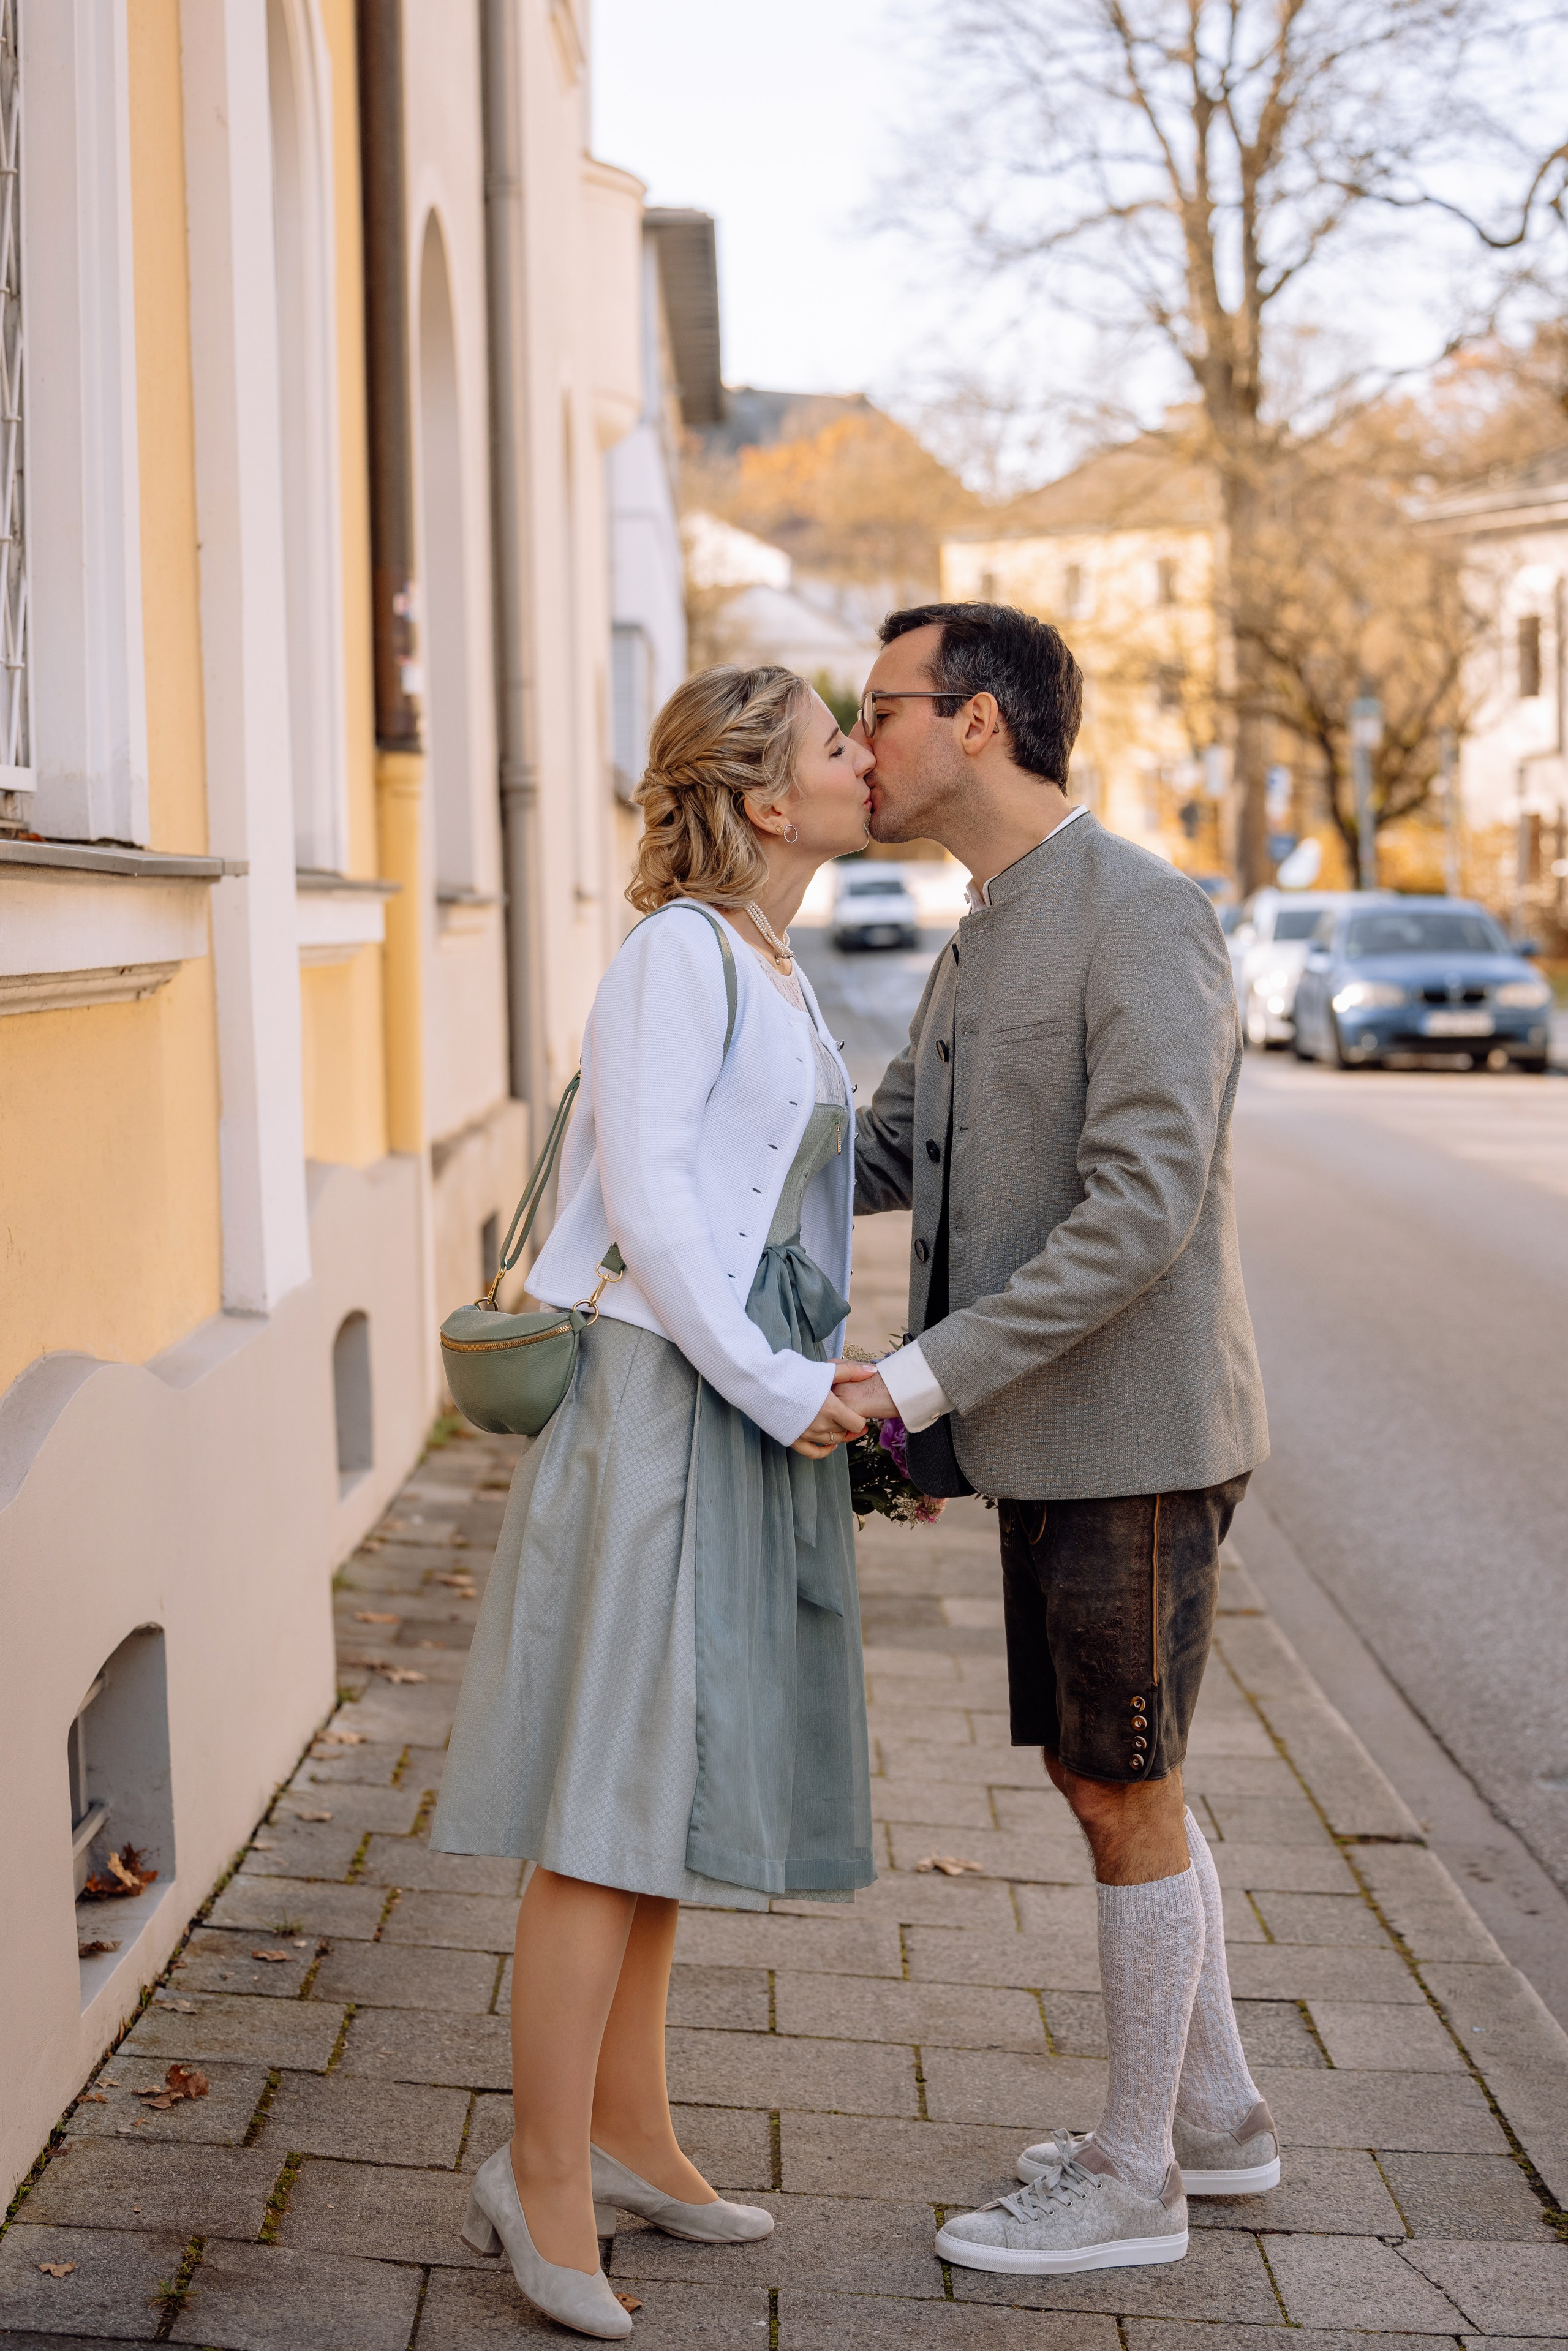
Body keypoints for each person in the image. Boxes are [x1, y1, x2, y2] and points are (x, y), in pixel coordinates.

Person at [431, 665, 880, 2340]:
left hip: (733, 1406)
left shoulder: (772, 960)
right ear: (767, 801)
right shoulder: (677, 958)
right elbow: (672, 1230)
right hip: (661, 1405)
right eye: (838, 747)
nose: (862, 763)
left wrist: (822, 1374)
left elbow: (778, 1212)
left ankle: (629, 2132)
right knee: (605, 1816)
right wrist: (783, 1389)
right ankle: (541, 2180)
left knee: (669, 1802)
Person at [837, 602, 1273, 2279]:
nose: (859, 741)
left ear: (981, 725)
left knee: (1117, 1781)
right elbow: (885, 1153)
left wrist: (916, 1381)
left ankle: (1134, 2176)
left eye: (879, 709)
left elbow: (1140, 1212)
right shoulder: (983, 928)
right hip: (1053, 1436)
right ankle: (1217, 2123)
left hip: (1137, 1437)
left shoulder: (1141, 915)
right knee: (1116, 1771)